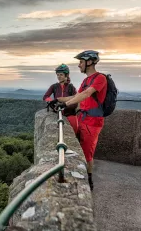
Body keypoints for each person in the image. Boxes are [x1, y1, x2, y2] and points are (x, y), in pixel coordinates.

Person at [49, 50, 107, 191]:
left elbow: (86, 94)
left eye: (81, 62)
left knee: (87, 152)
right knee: (79, 147)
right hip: (82, 119)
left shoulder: (100, 78)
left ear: (90, 62)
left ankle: (89, 179)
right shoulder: (86, 80)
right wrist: (58, 100)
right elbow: (76, 96)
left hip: (92, 122)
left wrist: (66, 105)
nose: (79, 65)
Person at [43, 64, 78, 133]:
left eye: (61, 75)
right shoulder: (54, 86)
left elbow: (76, 100)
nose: (59, 77)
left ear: (66, 75)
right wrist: (50, 101)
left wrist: (66, 105)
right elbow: (46, 96)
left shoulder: (71, 88)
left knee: (74, 132)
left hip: (70, 114)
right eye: (58, 75)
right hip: (57, 113)